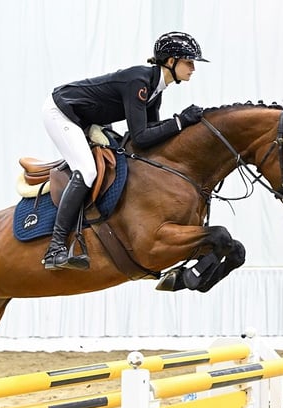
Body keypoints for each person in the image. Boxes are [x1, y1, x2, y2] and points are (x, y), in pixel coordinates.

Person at [41, 31, 208, 271]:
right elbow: (140, 138)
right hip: (61, 110)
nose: (193, 68)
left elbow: (151, 133)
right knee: (87, 171)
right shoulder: (139, 82)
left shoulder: (155, 89)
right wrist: (180, 122)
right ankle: (55, 247)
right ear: (171, 61)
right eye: (188, 61)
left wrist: (181, 126)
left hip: (87, 116)